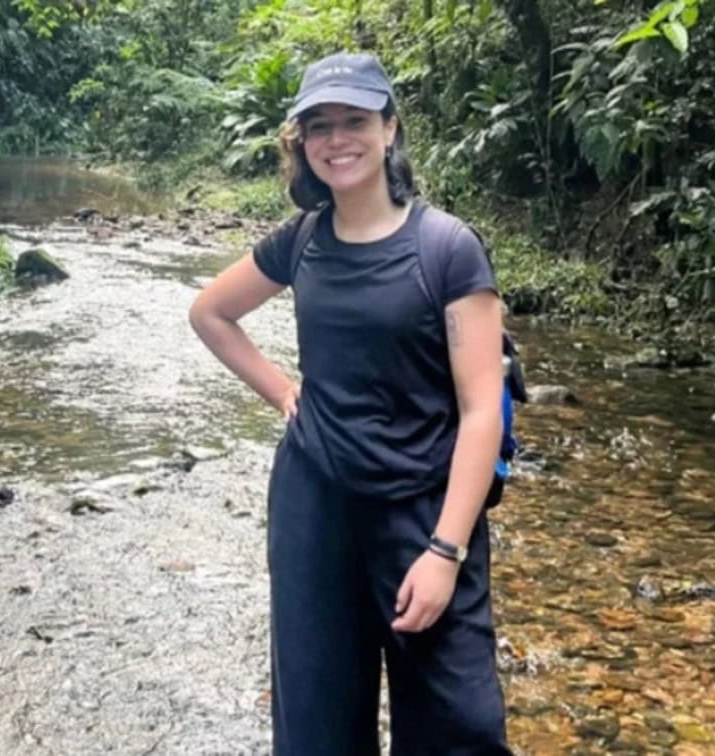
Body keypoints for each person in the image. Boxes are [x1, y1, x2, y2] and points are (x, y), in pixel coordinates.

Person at [189, 51, 512, 756]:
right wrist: (283, 392)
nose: (339, 140)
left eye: (356, 121)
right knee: (317, 725)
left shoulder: (448, 250)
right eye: (320, 126)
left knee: (461, 728)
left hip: (424, 509)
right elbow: (210, 313)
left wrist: (445, 552)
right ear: (302, 143)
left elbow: (482, 412)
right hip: (315, 507)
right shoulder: (302, 240)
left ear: (391, 128)